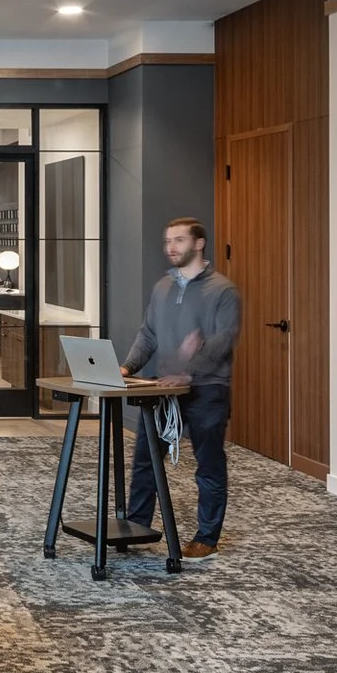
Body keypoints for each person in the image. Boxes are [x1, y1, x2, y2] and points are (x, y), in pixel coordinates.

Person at [122, 216, 241, 557]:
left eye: (178, 240)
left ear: (199, 243)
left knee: (209, 464)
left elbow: (223, 340)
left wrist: (189, 372)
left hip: (207, 389)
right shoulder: (162, 288)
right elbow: (148, 333)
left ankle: (207, 537)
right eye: (167, 241)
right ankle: (136, 528)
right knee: (146, 460)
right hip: (162, 389)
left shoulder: (223, 290)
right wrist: (127, 366)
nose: (170, 247)